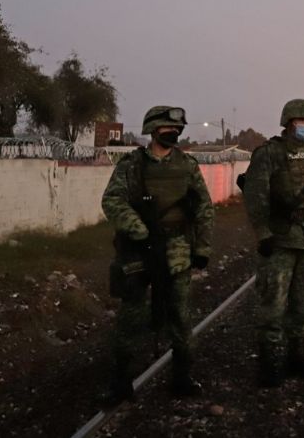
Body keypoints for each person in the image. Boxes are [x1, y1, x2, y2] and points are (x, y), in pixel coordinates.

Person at [102, 106, 214, 404]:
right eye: (167, 129)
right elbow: (112, 200)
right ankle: (121, 382)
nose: (173, 134)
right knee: (132, 317)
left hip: (177, 250)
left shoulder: (187, 165)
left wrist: (202, 248)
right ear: (153, 130)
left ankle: (182, 377)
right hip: (138, 252)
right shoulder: (132, 165)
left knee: (179, 315)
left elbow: (204, 207)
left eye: (176, 129)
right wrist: (137, 228)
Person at [242, 99, 304, 387]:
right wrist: (263, 234)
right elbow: (255, 195)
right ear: (287, 124)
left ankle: (296, 358)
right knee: (273, 303)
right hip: (281, 239)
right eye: (300, 121)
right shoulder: (270, 153)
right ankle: (270, 365)